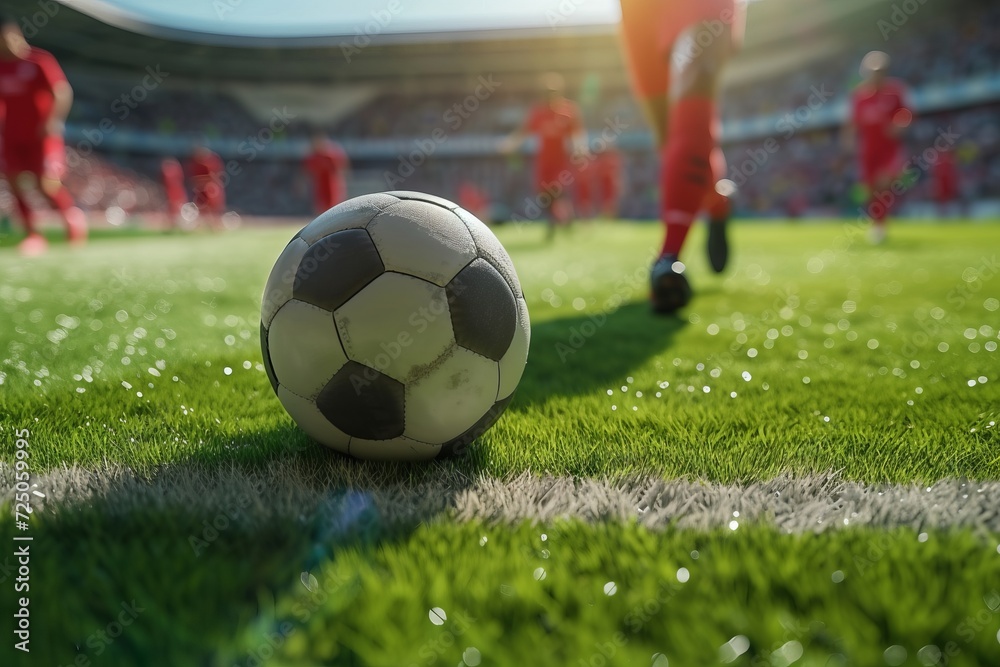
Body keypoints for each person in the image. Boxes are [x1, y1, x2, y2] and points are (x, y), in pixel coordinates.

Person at [618, 0, 746, 313]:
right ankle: (717, 201)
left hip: (699, 8)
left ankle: (668, 259)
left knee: (691, 114)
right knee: (669, 141)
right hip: (640, 14)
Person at [0, 13, 86, 256]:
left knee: (46, 185)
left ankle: (72, 224)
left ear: (14, 33)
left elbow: (61, 92)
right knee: (15, 183)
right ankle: (33, 235)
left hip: (42, 136)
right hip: (11, 137)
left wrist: (53, 121)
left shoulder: (38, 60)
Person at [502, 73, 587, 239]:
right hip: (543, 162)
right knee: (544, 196)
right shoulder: (538, 113)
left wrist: (580, 149)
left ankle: (554, 225)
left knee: (557, 190)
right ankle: (562, 219)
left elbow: (577, 133)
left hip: (561, 161)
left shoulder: (568, 111)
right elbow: (524, 131)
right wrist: (510, 144)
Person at [843, 50, 912, 244]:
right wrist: (849, 140)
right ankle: (878, 223)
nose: (877, 75)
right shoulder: (860, 95)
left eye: (880, 71)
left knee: (883, 183)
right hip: (868, 150)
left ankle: (880, 227)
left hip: (889, 149)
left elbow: (906, 113)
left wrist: (899, 125)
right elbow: (853, 122)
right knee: (871, 189)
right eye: (873, 71)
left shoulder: (895, 90)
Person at [303, 134, 349, 215]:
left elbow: (341, 169)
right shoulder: (313, 156)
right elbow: (307, 171)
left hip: (331, 185)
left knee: (333, 206)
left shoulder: (331, 155)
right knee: (320, 206)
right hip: (319, 185)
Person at [187, 143, 225, 229]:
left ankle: (215, 225)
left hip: (210, 189)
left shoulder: (211, 161)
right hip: (200, 190)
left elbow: (215, 177)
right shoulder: (195, 163)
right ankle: (203, 225)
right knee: (201, 208)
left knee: (213, 208)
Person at [160, 157, 187, 229]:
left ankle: (177, 224)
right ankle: (173, 224)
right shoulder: (168, 171)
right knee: (172, 207)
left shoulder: (172, 170)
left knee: (177, 206)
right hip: (171, 190)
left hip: (175, 190)